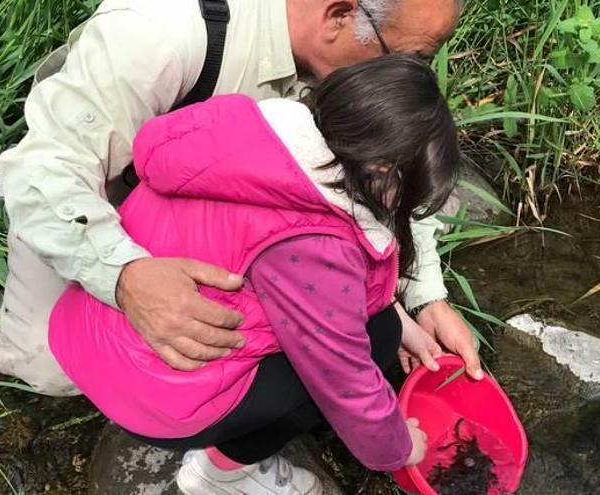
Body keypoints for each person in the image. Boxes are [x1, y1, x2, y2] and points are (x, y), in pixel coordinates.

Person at [0, 0, 482, 400]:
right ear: (339, 16)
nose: (408, 75)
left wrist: (424, 297)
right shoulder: (162, 32)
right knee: (54, 371)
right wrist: (125, 277)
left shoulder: (353, 58)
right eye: (406, 58)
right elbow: (42, 171)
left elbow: (394, 165)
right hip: (103, 181)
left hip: (222, 200)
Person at [48, 55, 458, 494]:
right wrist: (399, 449)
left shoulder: (253, 131)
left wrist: (405, 322)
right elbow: (344, 379)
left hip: (90, 332)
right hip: (151, 391)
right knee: (373, 338)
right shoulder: (315, 243)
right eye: (407, 193)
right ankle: (222, 473)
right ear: (382, 171)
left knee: (382, 326)